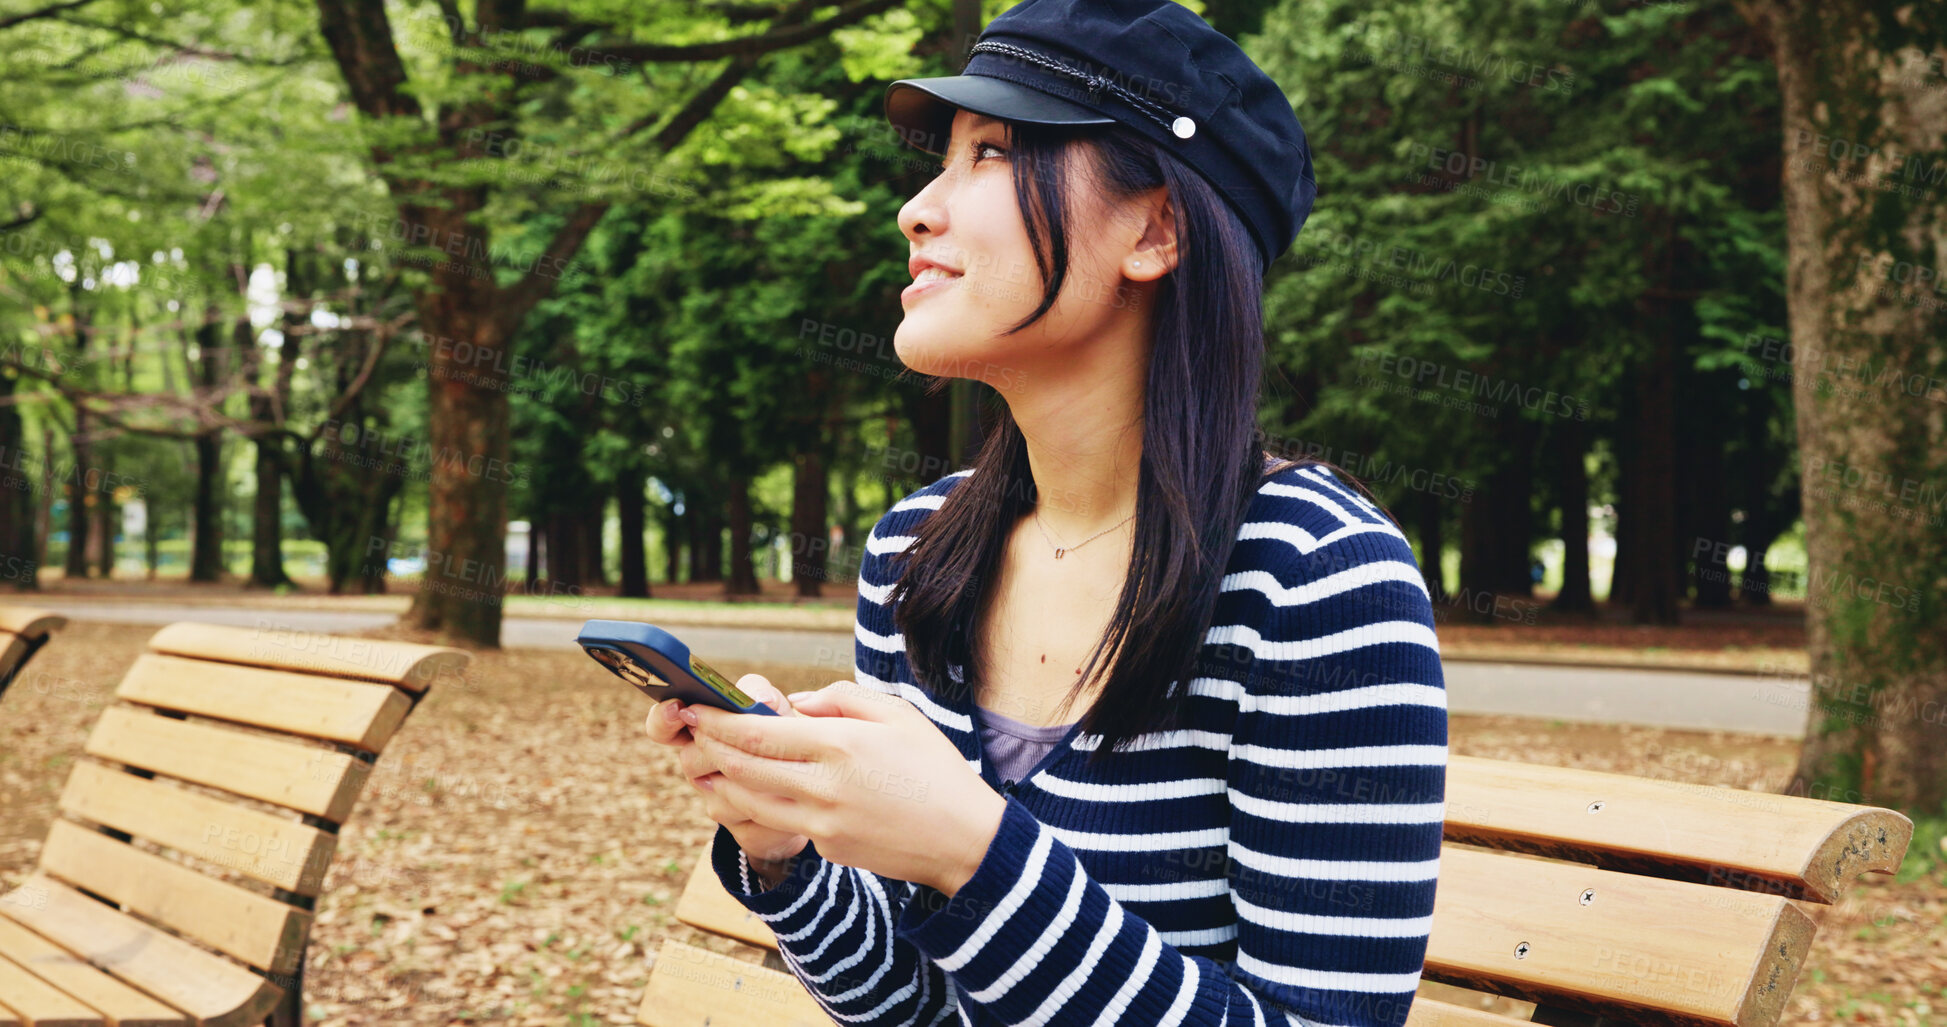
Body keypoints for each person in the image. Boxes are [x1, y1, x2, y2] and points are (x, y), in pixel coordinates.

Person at [641, 1, 1447, 1024]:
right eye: (945, 157)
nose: (918, 209)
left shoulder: (1316, 579)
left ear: (1155, 229)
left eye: (995, 154)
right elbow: (913, 1009)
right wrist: (783, 849)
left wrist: (971, 849)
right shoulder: (917, 554)